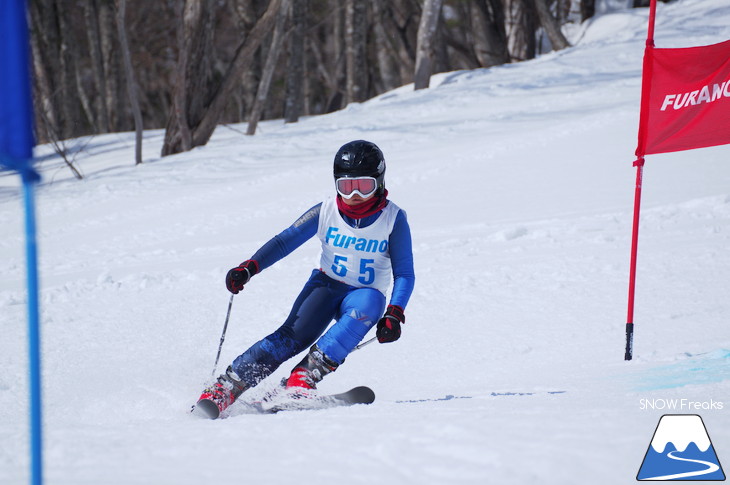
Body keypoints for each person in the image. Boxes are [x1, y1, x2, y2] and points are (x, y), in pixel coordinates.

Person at [195, 140, 415, 418]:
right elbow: (286, 240)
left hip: (363, 293)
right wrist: (250, 267)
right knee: (292, 337)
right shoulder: (325, 211)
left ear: (380, 182)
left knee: (371, 303)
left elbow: (405, 273)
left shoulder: (393, 219)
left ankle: (300, 381)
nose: (355, 194)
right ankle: (224, 388)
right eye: (346, 187)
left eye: (364, 185)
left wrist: (394, 313)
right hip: (325, 288)